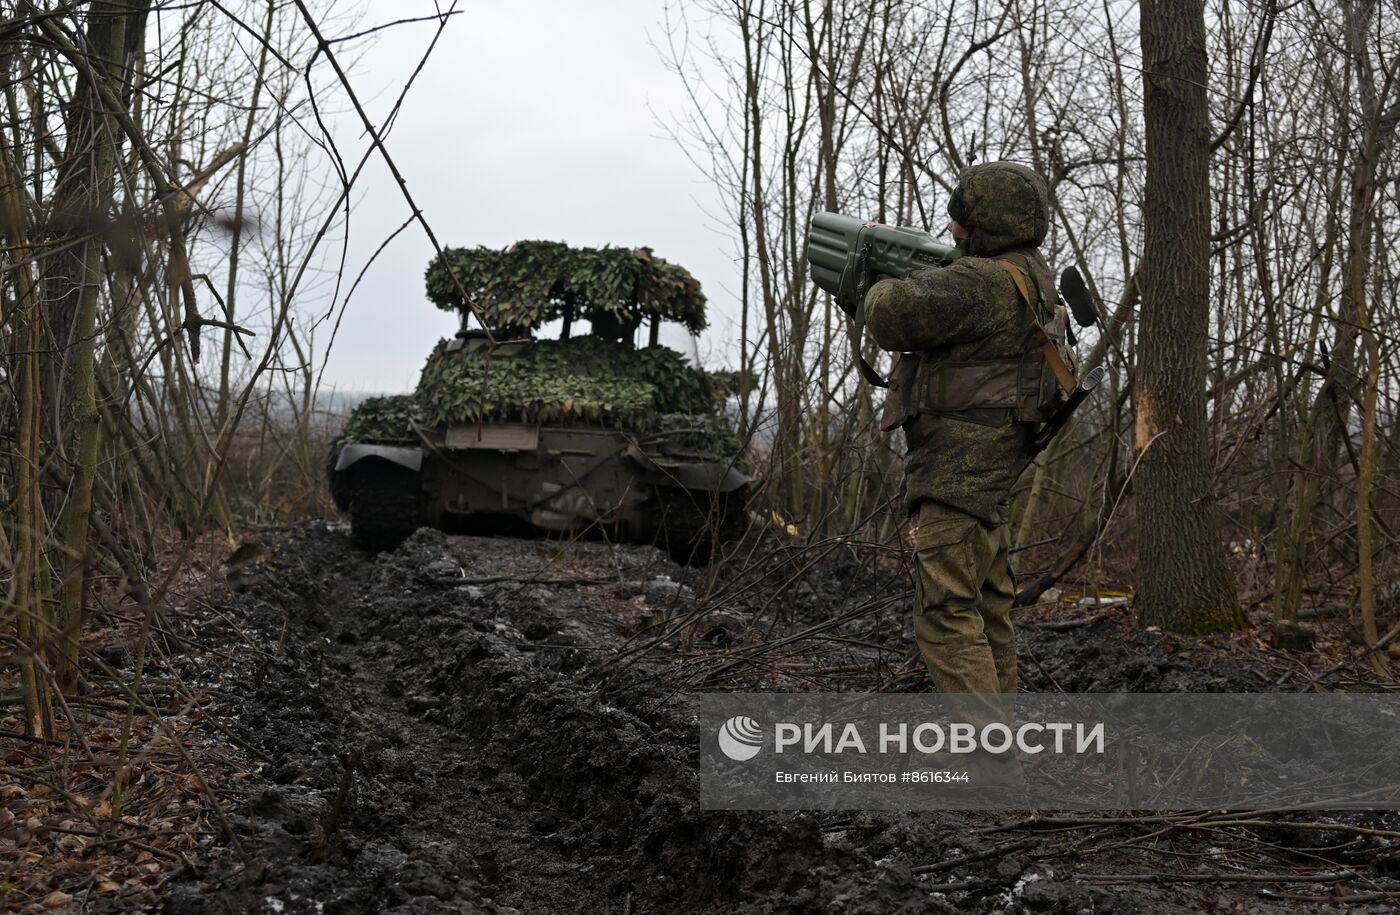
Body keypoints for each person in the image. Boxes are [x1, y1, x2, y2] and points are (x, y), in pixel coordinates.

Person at [863, 161, 1072, 700]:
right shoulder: (1033, 277)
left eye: (961, 219)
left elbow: (891, 315)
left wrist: (876, 279)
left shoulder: (983, 282)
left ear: (986, 224)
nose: (952, 229)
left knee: (945, 618)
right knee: (987, 615)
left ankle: (987, 753)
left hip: (957, 479)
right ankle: (1000, 744)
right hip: (990, 477)